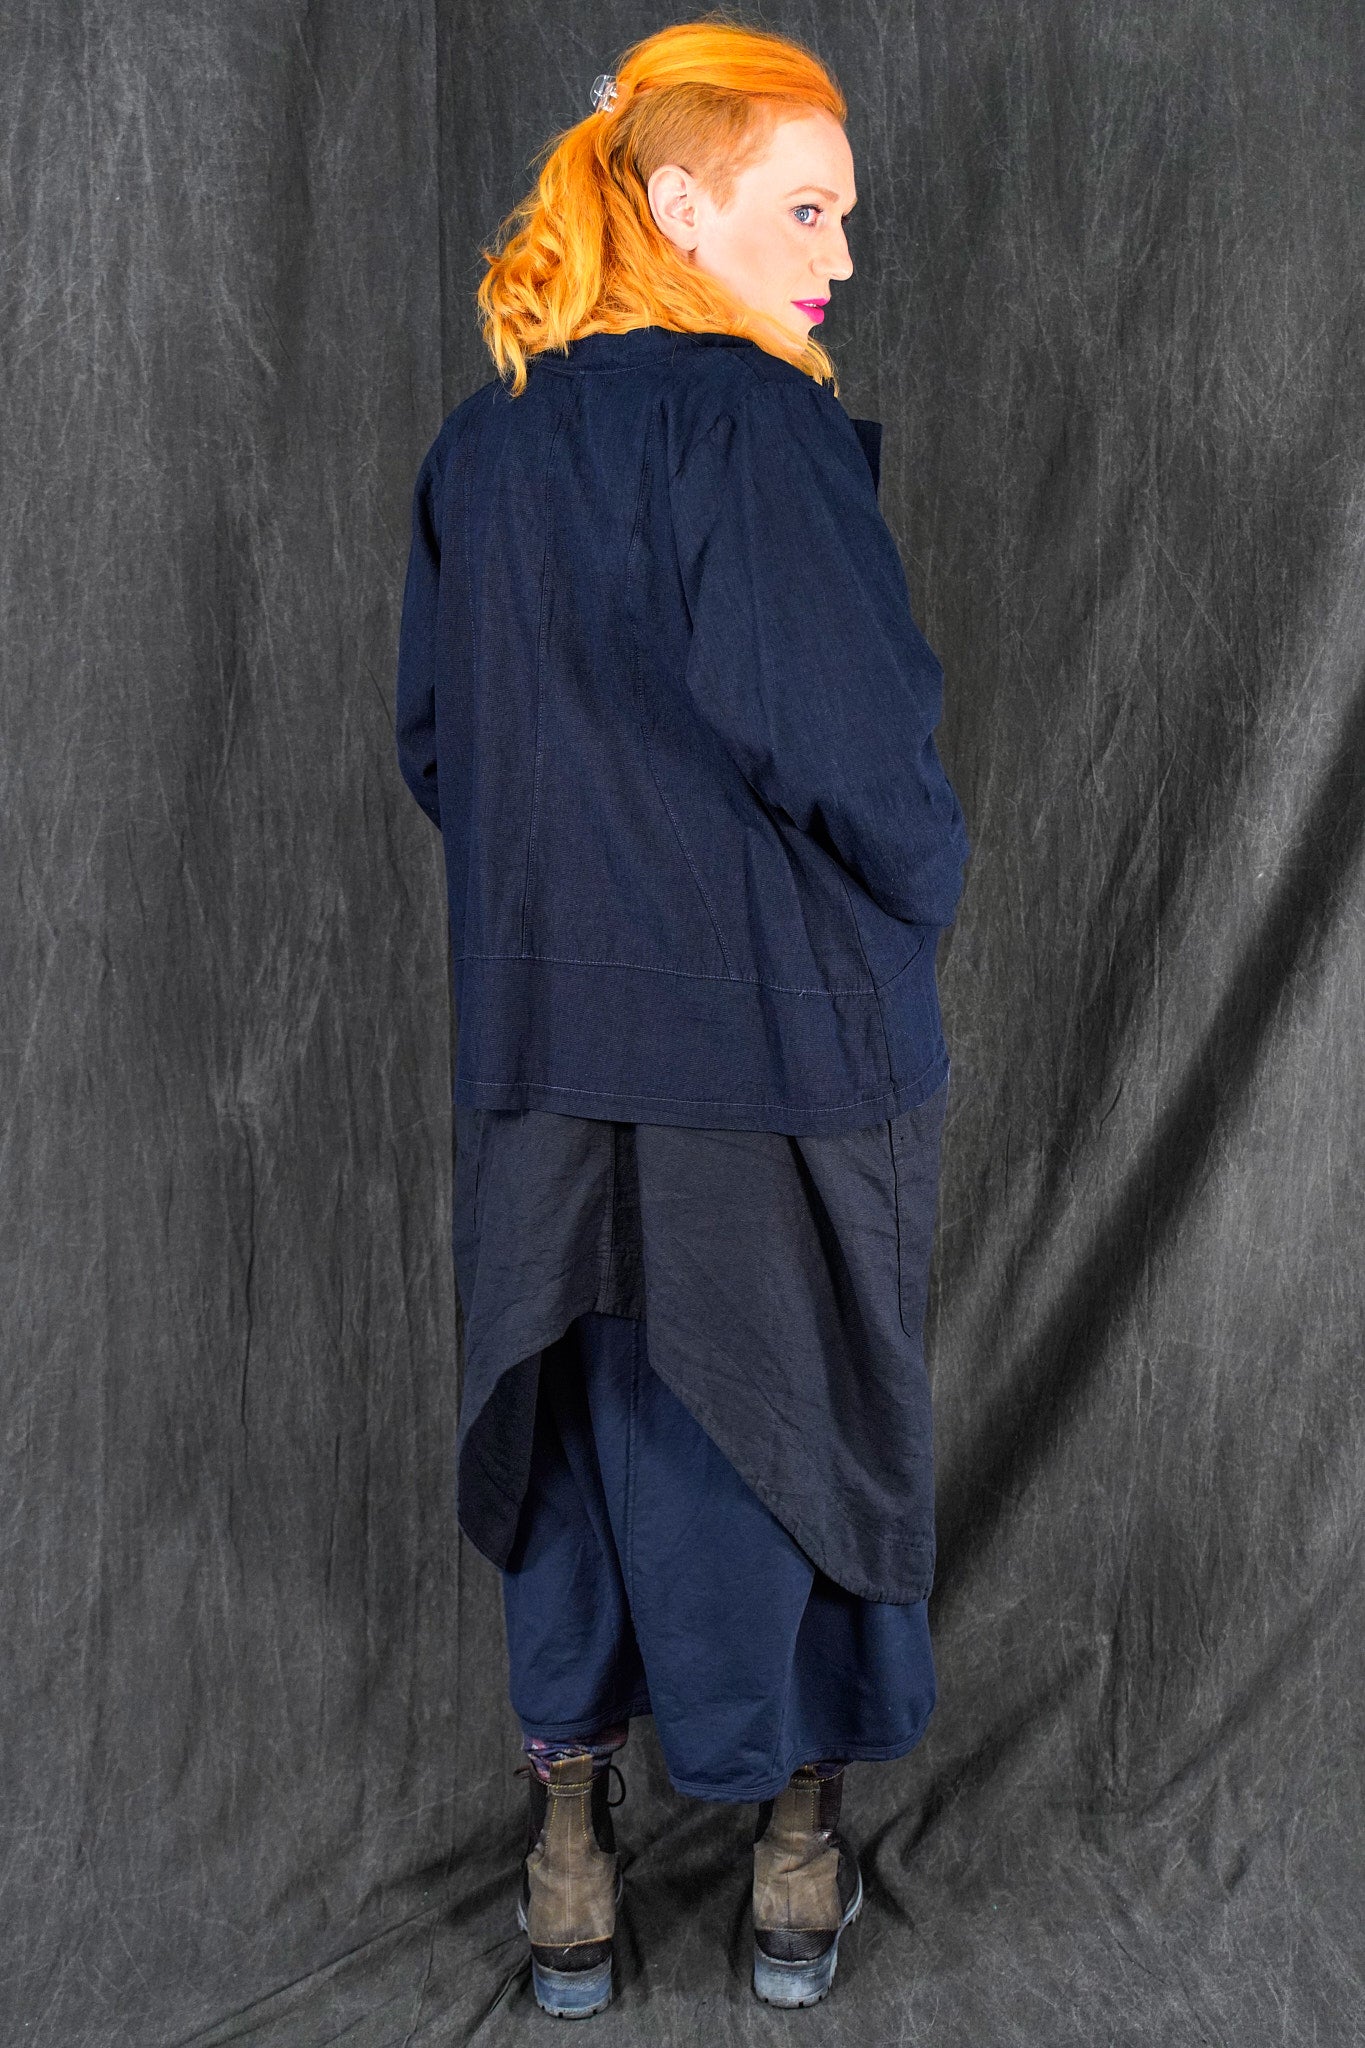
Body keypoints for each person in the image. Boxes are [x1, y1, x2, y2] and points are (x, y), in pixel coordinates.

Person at [394, 17, 970, 2020]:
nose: (837, 254)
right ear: (674, 200)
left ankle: (569, 1860)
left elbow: (443, 744)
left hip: (545, 1039)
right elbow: (856, 749)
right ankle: (792, 1848)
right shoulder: (755, 427)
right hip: (781, 1044)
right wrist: (915, 894)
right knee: (805, 1427)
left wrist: (579, 894)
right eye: (803, 209)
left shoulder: (484, 447)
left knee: (572, 1414)